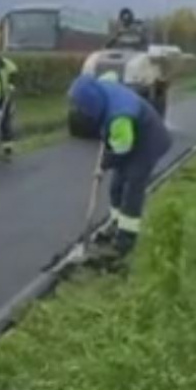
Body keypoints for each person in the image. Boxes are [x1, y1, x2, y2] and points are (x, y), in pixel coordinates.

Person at [67, 73, 172, 267]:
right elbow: (111, 76)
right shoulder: (102, 86)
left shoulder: (119, 117)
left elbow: (122, 148)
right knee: (116, 186)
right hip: (132, 137)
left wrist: (104, 164)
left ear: (92, 104)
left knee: (132, 186)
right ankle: (116, 224)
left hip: (149, 141)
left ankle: (125, 241)